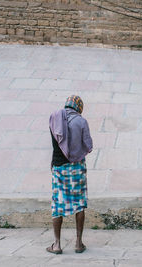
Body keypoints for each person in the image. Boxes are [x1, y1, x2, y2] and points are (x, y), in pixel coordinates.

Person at [47, 95, 93, 254]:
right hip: (77, 167)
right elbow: (88, 144)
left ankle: (57, 244)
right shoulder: (81, 121)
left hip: (58, 168)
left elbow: (55, 144)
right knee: (79, 204)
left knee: (57, 205)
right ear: (79, 107)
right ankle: (79, 243)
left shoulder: (54, 118)